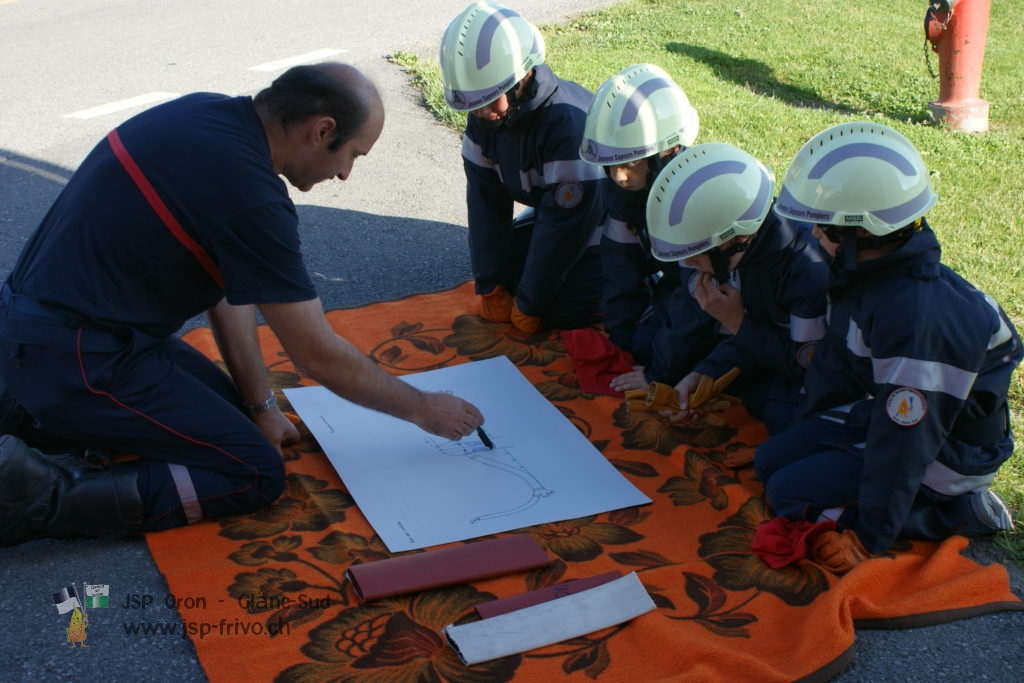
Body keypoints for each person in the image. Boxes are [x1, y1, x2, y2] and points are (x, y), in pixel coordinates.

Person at [0, 62, 485, 546]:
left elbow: (228, 291)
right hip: (76, 354)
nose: (344, 174)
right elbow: (315, 352)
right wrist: (423, 408)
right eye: (353, 154)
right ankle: (39, 495)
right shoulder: (251, 197)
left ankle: (34, 408)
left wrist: (259, 404)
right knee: (252, 472)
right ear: (321, 131)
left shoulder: (206, 112)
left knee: (235, 417)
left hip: (55, 327)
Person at [755, 121, 1021, 557]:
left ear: (860, 232)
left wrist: (867, 538)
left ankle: (958, 512)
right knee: (770, 461)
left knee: (786, 492)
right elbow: (840, 370)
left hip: (946, 453)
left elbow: (905, 443)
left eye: (824, 228)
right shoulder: (868, 278)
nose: (814, 237)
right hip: (887, 413)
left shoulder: (913, 319)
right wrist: (809, 429)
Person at [439, 1, 605, 333]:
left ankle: (641, 285)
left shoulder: (567, 126)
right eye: (473, 105)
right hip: (551, 216)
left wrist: (530, 303)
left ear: (523, 78)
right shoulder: (483, 117)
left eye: (489, 101)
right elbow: (485, 204)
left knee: (564, 313)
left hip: (601, 228)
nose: (482, 113)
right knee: (509, 283)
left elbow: (566, 228)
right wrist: (490, 284)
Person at [645, 142, 829, 434]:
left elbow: (809, 364)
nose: (689, 263)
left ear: (738, 238)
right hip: (776, 352)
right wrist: (701, 375)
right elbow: (754, 332)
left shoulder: (806, 271)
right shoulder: (746, 254)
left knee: (778, 412)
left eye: (695, 253)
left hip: (824, 376)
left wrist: (735, 322)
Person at [577, 63, 703, 392]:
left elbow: (695, 300)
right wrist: (620, 345)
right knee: (638, 344)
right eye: (610, 165)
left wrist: (657, 375)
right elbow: (619, 269)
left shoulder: (695, 203)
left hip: (713, 303)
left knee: (665, 349)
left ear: (668, 152)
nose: (619, 177)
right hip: (677, 287)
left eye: (630, 164)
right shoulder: (621, 190)